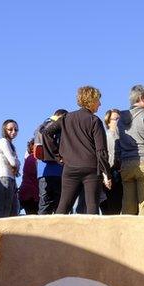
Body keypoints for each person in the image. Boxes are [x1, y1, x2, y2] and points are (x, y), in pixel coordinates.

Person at [49, 86, 111, 214]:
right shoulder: (95, 120)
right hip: (91, 169)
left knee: (64, 206)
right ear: (91, 101)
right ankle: (91, 234)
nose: (100, 104)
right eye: (98, 100)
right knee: (92, 207)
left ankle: (56, 232)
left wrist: (57, 155)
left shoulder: (66, 118)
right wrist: (107, 173)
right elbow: (101, 151)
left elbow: (46, 133)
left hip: (70, 167)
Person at [117, 85, 144, 215]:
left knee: (128, 210)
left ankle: (126, 235)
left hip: (126, 164)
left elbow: (117, 142)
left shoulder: (120, 120)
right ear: (141, 98)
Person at [34, 109, 68, 214]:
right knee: (59, 205)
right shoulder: (57, 127)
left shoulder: (40, 127)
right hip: (58, 170)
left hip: (43, 171)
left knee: (44, 203)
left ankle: (41, 229)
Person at [101, 109, 124, 215]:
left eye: (120, 118)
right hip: (111, 173)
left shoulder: (123, 136)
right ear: (108, 121)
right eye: (116, 119)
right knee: (112, 207)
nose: (118, 121)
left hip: (122, 173)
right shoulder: (106, 136)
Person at [18, 138, 39, 215]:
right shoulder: (34, 158)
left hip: (26, 193)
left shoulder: (29, 158)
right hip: (31, 194)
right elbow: (36, 174)